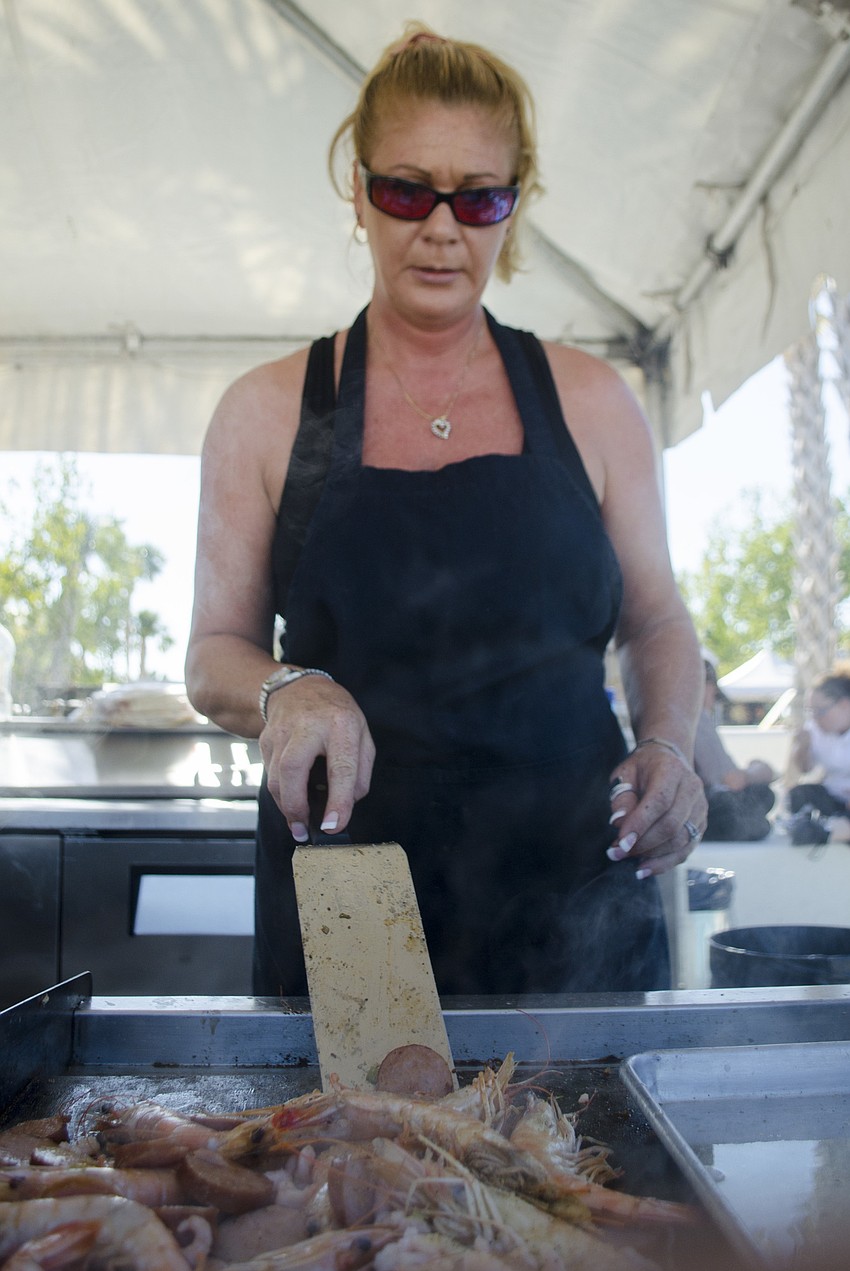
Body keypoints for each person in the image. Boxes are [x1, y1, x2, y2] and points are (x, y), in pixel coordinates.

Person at [185, 22, 707, 997]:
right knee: (348, 1153)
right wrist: (285, 688)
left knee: (581, 1155)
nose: (440, 226)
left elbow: (656, 620)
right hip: (351, 912)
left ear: (515, 206)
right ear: (360, 193)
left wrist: (670, 745)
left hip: (575, 901)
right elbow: (214, 651)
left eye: (478, 197)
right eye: (406, 189)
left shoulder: (591, 400)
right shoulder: (263, 411)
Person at [693, 659, 776, 841]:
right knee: (761, 801)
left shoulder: (689, 719)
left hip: (701, 806)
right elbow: (731, 781)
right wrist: (759, 770)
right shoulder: (695, 719)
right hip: (706, 808)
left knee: (761, 797)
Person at [785, 665, 850, 846]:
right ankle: (830, 829)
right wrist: (802, 747)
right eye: (811, 712)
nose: (815, 718)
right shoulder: (815, 730)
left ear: (845, 705)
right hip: (834, 797)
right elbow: (805, 769)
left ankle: (827, 830)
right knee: (800, 794)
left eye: (820, 711)